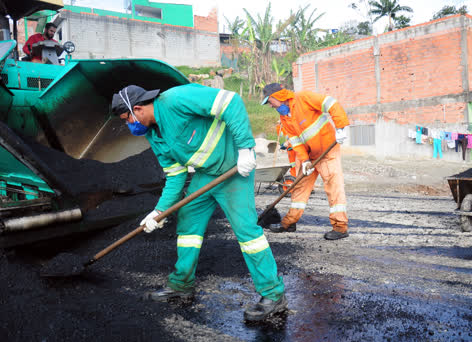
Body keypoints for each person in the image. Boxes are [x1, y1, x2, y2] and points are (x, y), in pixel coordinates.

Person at [111, 84, 286, 321]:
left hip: (234, 168)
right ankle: (181, 285)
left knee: (247, 232)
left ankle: (273, 295)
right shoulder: (154, 135)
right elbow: (175, 175)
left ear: (138, 108)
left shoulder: (175, 99)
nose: (128, 124)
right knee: (188, 223)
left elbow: (231, 101)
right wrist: (158, 212)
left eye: (127, 118)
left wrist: (246, 147)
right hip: (207, 174)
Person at [261, 83, 350, 240]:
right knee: (299, 188)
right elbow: (295, 142)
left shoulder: (304, 98)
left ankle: (340, 228)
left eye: (270, 101)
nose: (270, 106)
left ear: (279, 96)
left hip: (327, 152)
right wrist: (306, 161)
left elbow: (331, 103)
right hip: (310, 158)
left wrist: (341, 127)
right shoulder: (284, 117)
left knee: (333, 188)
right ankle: (289, 223)